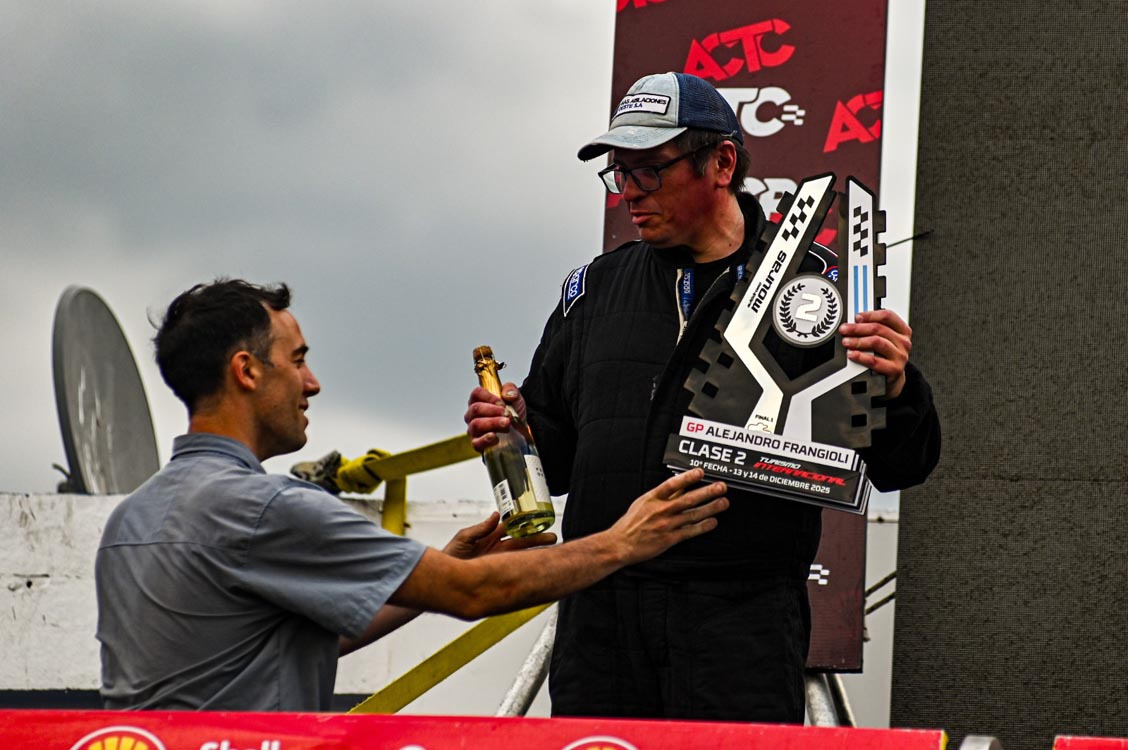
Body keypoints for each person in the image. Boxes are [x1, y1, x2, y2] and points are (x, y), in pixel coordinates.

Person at [464, 72, 941, 723]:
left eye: (648, 171)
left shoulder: (814, 289)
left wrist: (898, 386)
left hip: (740, 628)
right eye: (618, 173)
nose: (629, 192)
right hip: (602, 624)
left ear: (721, 163)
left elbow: (902, 465)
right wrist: (517, 431)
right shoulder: (592, 290)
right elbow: (559, 461)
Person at [95, 278, 729, 712]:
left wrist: (449, 561)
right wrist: (623, 543)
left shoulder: (130, 520)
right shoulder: (265, 509)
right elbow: (474, 595)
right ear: (246, 370)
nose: (312, 383)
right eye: (298, 359)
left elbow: (291, 645)